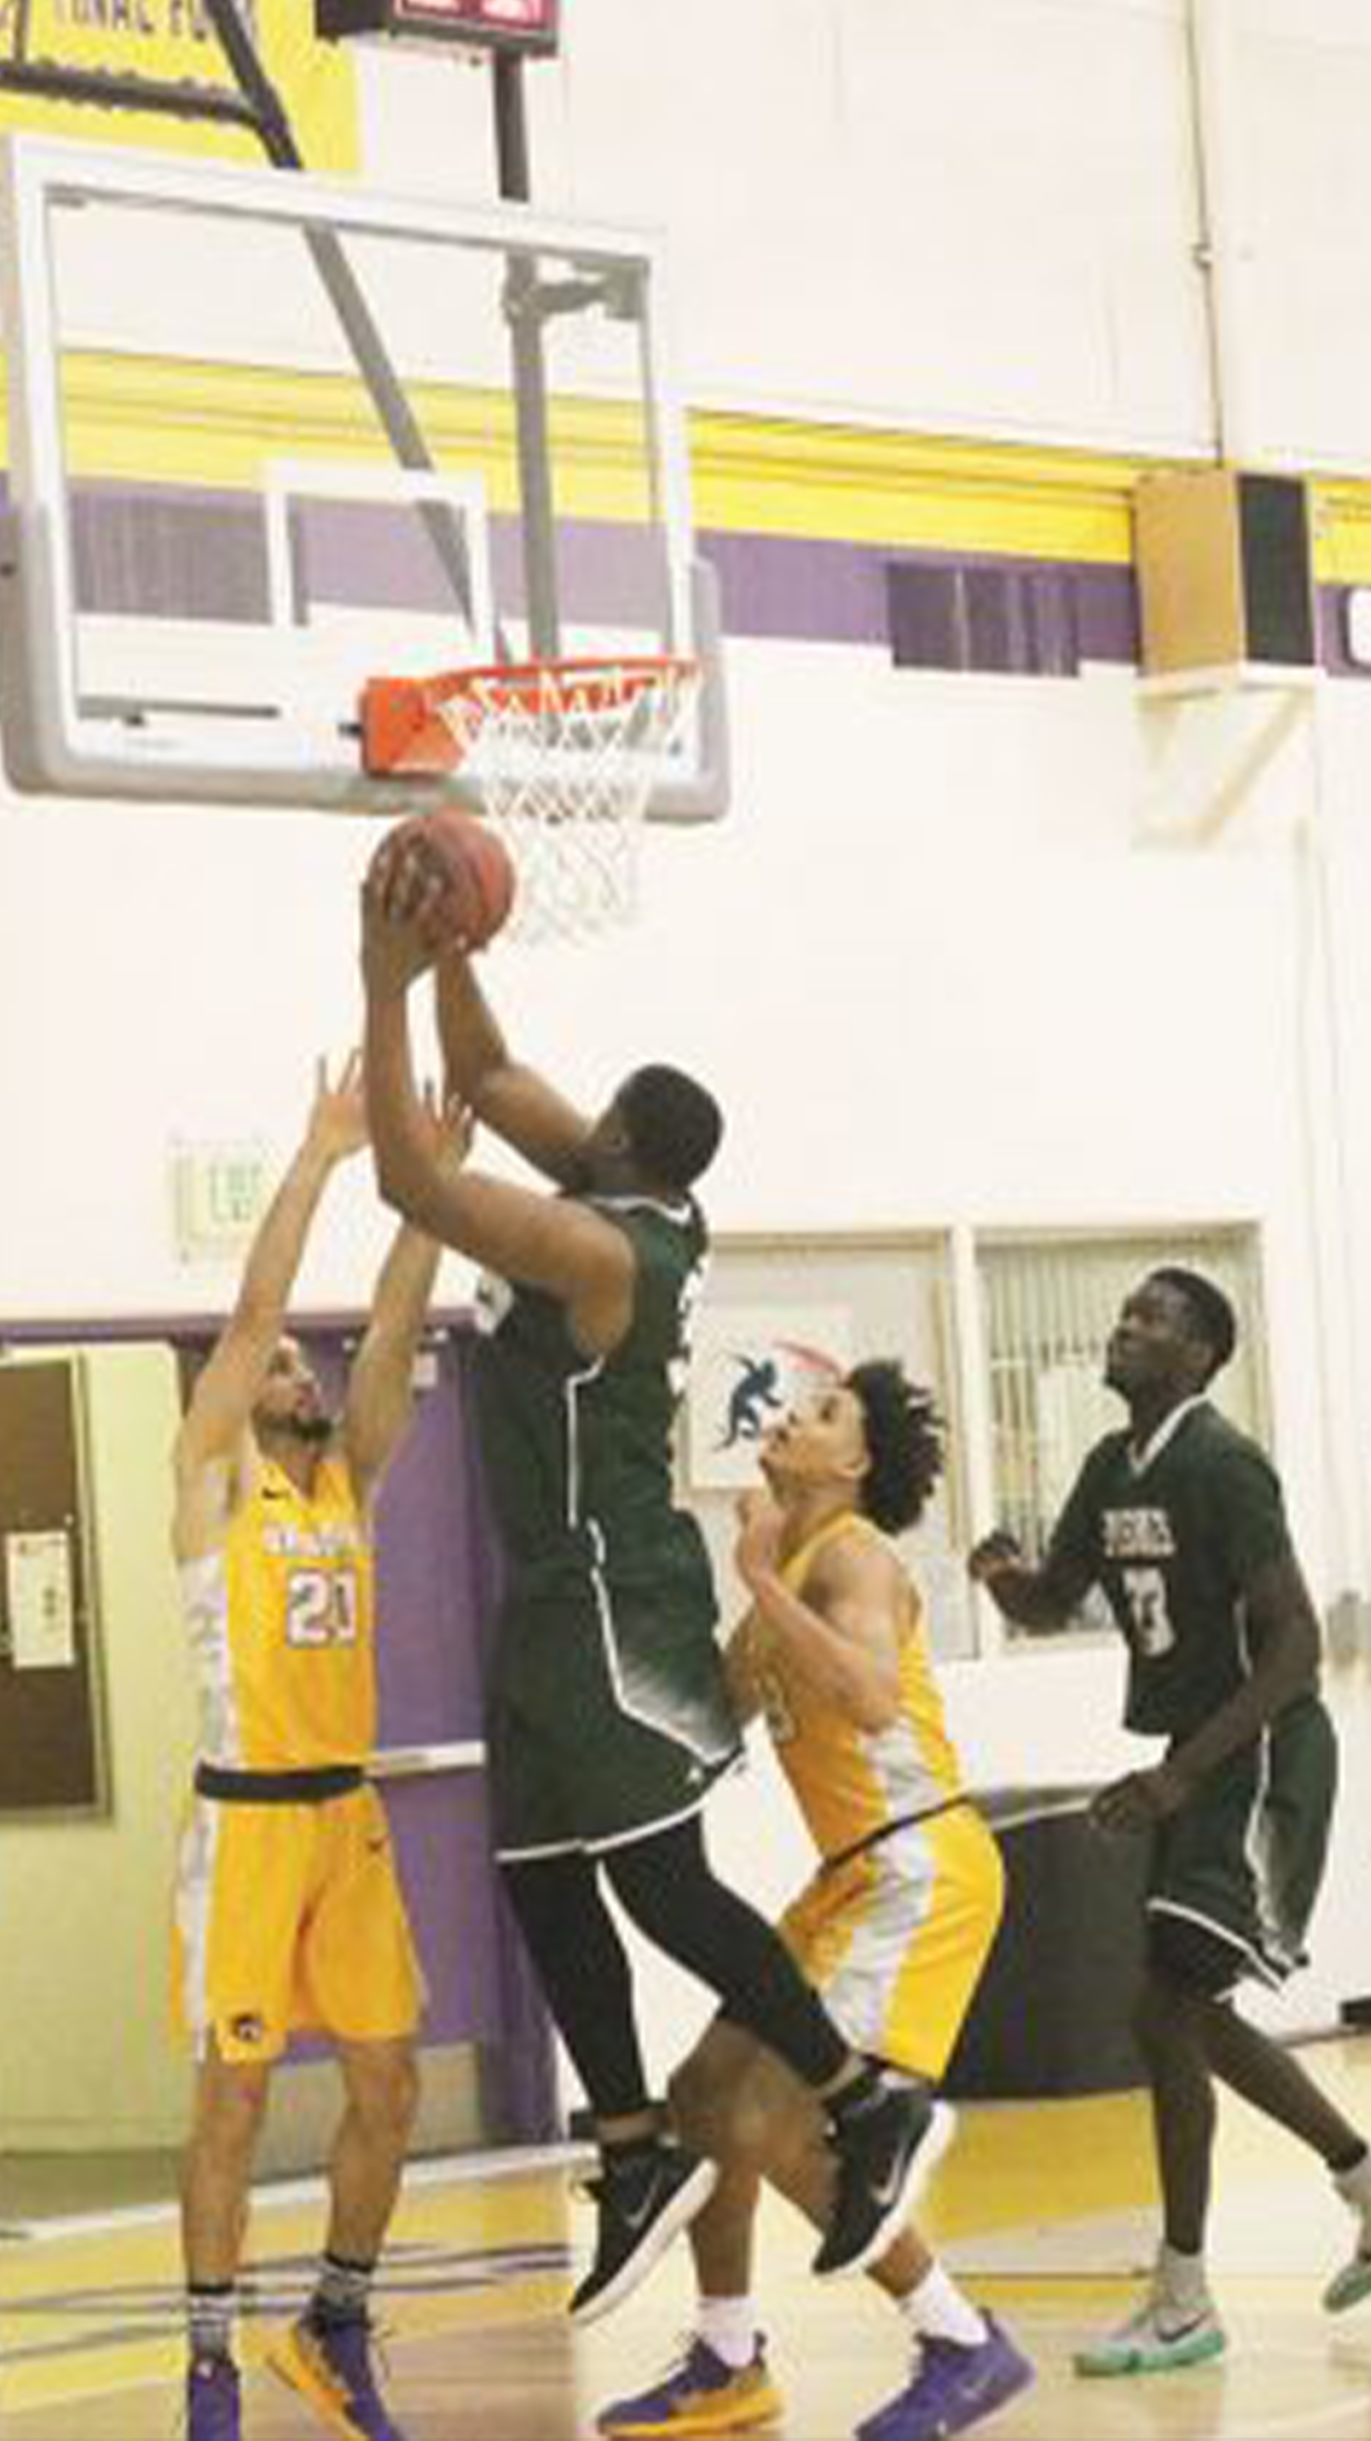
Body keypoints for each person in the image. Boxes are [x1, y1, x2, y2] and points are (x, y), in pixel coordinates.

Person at [356, 850, 950, 2330]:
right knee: (538, 1876)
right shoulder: (620, 1191)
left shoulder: (596, 1243)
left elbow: (412, 1175)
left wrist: (377, 984)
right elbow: (483, 1074)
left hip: (618, 1602)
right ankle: (629, 2148)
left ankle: (855, 2097)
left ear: (617, 1140)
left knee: (656, 1880)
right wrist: (446, 951)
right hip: (555, 1596)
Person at [966, 1268, 1371, 2377]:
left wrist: (1181, 1778)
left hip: (1263, 1755)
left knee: (1164, 2007)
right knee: (1173, 2012)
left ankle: (1186, 2294)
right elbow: (1052, 1603)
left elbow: (1292, 1648)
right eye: (1126, 1310)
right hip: (1200, 1759)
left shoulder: (1224, 1464)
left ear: (1200, 1356)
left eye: (1155, 1319)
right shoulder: (1106, 1467)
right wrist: (997, 1572)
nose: (1127, 1326)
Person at [599, 1363, 1035, 2441]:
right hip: (849, 1872)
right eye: (801, 1403)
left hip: (919, 1867)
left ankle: (960, 2338)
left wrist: (761, 1580)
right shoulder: (786, 1570)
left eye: (825, 1413)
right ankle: (726, 2356)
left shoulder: (852, 1560)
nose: (793, 1413)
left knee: (770, 2116)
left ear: (854, 1464)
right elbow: (714, 1713)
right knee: (702, 2095)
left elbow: (871, 1695)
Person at [170, 1053, 463, 2441]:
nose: (302, 1365)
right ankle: (210, 2362)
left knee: (389, 2084)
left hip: (346, 1820)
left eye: (302, 1364)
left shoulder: (344, 1477)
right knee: (231, 2094)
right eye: (287, 1364)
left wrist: (428, 1196)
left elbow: (397, 1337)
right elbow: (253, 1308)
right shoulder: (216, 1480)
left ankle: (335, 2316)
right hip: (244, 1826)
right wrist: (323, 1152)